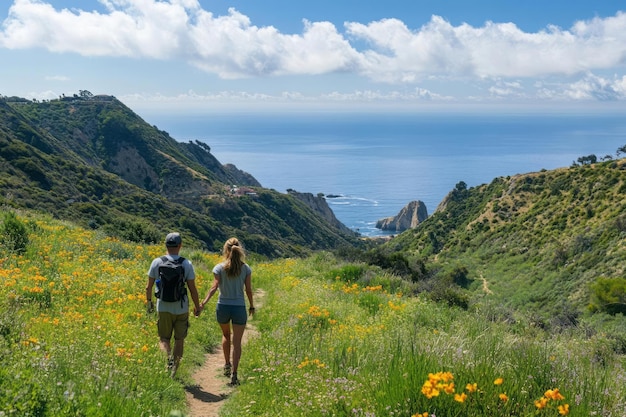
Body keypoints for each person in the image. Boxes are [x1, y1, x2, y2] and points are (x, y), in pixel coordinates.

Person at [198, 237, 254, 386]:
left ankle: (227, 364)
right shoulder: (246, 268)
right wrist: (252, 306)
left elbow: (214, 287)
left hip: (223, 306)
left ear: (226, 249)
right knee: (237, 342)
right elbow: (248, 289)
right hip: (239, 307)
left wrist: (203, 303)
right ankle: (235, 374)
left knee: (225, 335)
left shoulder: (219, 268)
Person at [146, 232, 201, 377]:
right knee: (179, 339)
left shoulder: (157, 262)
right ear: (180, 245)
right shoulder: (186, 263)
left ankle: (167, 361)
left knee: (164, 338)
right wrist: (197, 306)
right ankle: (174, 372)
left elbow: (149, 286)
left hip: (163, 306)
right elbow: (192, 288)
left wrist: (149, 303)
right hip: (181, 307)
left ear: (165, 245)